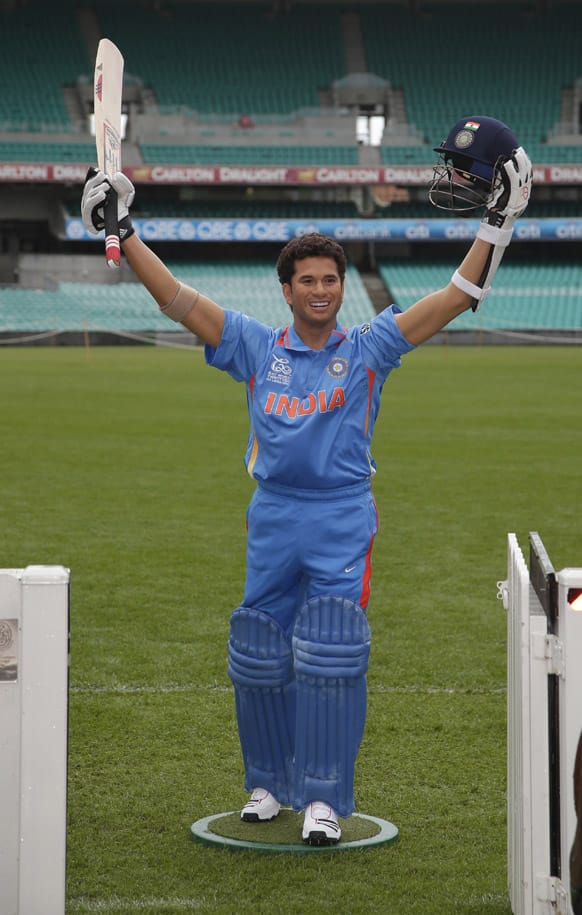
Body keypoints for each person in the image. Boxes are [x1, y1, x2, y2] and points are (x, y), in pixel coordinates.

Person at [81, 116, 532, 846]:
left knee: (330, 647)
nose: (322, 291)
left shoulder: (369, 347)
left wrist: (498, 224)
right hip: (275, 513)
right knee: (258, 646)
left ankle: (323, 799)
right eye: (309, 281)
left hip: (341, 515)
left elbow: (453, 298)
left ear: (341, 288)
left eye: (331, 280)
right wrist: (124, 231)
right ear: (286, 289)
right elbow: (178, 300)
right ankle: (266, 784)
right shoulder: (256, 346)